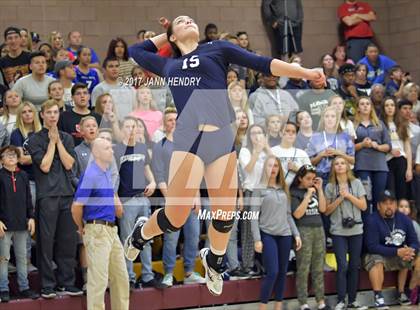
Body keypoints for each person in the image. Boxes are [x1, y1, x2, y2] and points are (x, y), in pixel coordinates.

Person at [125, 15, 324, 296]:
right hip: (190, 135)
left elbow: (264, 63)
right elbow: (136, 52)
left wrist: (306, 73)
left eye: (190, 19)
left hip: (220, 136)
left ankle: (214, 260)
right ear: (172, 37)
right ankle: (142, 233)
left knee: (225, 212)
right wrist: (163, 33)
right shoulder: (167, 63)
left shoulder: (216, 48)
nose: (188, 21)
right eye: (181, 22)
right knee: (176, 216)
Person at [26, 100, 82, 299]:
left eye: (55, 112)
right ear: (42, 115)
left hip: (67, 195)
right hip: (47, 196)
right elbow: (45, 166)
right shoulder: (34, 139)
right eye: (48, 112)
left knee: (67, 242)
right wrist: (51, 142)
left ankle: (66, 282)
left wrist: (58, 141)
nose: (52, 116)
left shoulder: (66, 138)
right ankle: (47, 285)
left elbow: (69, 164)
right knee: (46, 243)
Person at [71, 138, 128, 310]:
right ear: (96, 153)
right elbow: (76, 207)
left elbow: (119, 210)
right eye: (106, 148)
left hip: (111, 230)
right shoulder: (91, 174)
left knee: (121, 278)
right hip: (96, 229)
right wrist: (82, 227)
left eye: (111, 147)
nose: (111, 151)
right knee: (98, 280)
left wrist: (116, 204)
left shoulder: (106, 173)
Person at [153, 108, 205, 287]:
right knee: (171, 238)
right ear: (164, 124)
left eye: (176, 119)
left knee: (193, 235)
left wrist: (197, 197)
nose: (173, 122)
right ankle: (168, 273)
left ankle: (189, 271)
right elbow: (159, 177)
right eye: (169, 120)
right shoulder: (160, 146)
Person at [251, 155, 302, 310]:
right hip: (267, 234)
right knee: (272, 271)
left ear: (279, 169)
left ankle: (278, 307)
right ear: (264, 168)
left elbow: (288, 214)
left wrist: (296, 234)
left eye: (275, 166)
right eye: (269, 166)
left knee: (282, 273)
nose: (272, 169)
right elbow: (253, 217)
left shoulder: (284, 188)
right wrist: (257, 239)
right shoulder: (258, 190)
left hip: (285, 235)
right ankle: (263, 306)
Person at [114, 116, 157, 289]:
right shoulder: (117, 149)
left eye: (135, 126)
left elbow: (146, 167)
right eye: (128, 126)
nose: (132, 129)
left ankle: (147, 276)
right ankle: (129, 278)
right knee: (128, 240)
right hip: (126, 200)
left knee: (145, 239)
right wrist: (115, 198)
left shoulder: (141, 147)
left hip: (143, 198)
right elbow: (113, 175)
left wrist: (152, 181)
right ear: (122, 129)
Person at [325, 156, 368, 310]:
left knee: (354, 265)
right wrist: (339, 198)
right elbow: (327, 210)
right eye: (336, 164)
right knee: (342, 265)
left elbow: (363, 206)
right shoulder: (330, 186)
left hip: (356, 230)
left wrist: (349, 196)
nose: (340, 166)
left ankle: (353, 300)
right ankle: (341, 300)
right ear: (333, 168)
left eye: (343, 163)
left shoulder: (356, 183)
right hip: (338, 231)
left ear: (348, 166)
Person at [364, 190, 419, 308]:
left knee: (416, 258)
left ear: (395, 205)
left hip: (399, 254)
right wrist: (397, 251)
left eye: (392, 203)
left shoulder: (404, 219)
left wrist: (410, 250)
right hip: (378, 254)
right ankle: (378, 296)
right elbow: (372, 246)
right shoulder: (372, 220)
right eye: (385, 203)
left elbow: (414, 241)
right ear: (379, 206)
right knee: (376, 261)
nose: (389, 206)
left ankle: (405, 292)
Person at [0, 145, 39, 302]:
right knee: (3, 258)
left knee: (23, 257)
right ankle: (3, 288)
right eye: (7, 154)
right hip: (4, 225)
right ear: (1, 159)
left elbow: (29, 199)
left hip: (22, 223)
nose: (11, 157)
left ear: (18, 159)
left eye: (14, 154)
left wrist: (31, 217)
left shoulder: (23, 176)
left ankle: (24, 287)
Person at [290, 164, 329, 310]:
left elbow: (323, 209)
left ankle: (321, 301)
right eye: (308, 178)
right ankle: (303, 303)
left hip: (318, 229)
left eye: (313, 179)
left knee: (319, 267)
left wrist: (319, 190)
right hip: (303, 230)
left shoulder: (315, 189)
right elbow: (297, 214)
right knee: (303, 267)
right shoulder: (294, 192)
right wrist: (307, 197)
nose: (311, 181)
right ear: (300, 178)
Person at [239, 124, 272, 276]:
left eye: (259, 132)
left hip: (267, 193)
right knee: (249, 230)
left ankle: (264, 262)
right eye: (253, 133)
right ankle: (248, 264)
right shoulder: (245, 151)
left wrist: (267, 149)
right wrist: (257, 151)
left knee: (266, 228)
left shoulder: (268, 151)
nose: (257, 136)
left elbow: (277, 168)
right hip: (251, 192)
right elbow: (248, 170)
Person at [353, 97, 391, 215]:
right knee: (366, 197)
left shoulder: (379, 124)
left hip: (380, 166)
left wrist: (377, 146)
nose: (365, 106)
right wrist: (362, 144)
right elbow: (348, 148)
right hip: (362, 165)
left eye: (368, 104)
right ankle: (365, 225)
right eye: (362, 104)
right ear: (358, 107)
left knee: (378, 198)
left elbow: (388, 146)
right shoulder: (353, 124)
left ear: (371, 107)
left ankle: (377, 225)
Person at [307, 106, 355, 185]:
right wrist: (321, 155)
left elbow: (352, 161)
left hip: (341, 175)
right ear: (323, 119)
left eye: (333, 116)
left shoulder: (345, 136)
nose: (330, 119)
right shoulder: (315, 137)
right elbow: (309, 163)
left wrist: (339, 153)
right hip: (322, 176)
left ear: (337, 119)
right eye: (327, 116)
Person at [382, 97, 412, 200]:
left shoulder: (402, 124)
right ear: (383, 108)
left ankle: (400, 215)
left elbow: (407, 148)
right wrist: (390, 150)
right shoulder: (380, 124)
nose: (389, 108)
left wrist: (409, 169)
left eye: (392, 105)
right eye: (387, 105)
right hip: (386, 161)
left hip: (401, 161)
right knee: (390, 191)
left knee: (401, 190)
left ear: (396, 108)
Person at [272, 122, 311, 186]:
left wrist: (298, 169)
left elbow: (311, 174)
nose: (290, 134)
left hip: (295, 191)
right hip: (276, 189)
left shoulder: (302, 153)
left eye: (293, 132)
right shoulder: (272, 151)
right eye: (287, 131)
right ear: (281, 133)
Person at [397, 199, 420, 305]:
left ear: (410, 210)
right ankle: (401, 292)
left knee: (419, 265)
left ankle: (411, 290)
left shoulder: (414, 223)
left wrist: (412, 249)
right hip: (398, 252)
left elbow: (418, 242)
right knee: (405, 260)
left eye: (406, 207)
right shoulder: (392, 221)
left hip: (414, 251)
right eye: (401, 206)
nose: (404, 209)